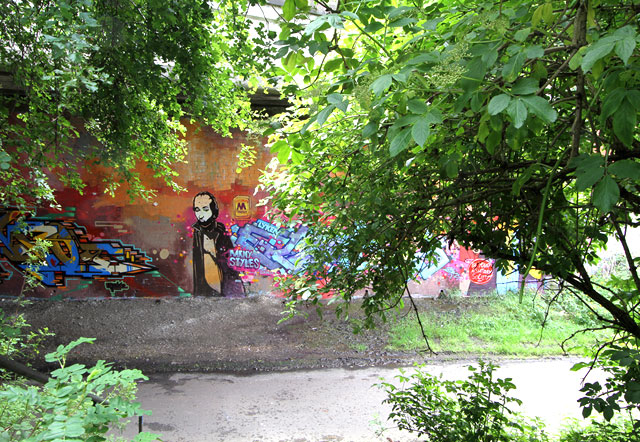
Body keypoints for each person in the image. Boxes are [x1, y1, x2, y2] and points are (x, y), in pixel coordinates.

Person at [192, 191, 245, 297]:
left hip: (224, 285)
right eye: (197, 210)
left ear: (213, 210)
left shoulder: (220, 231)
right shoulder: (196, 232)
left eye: (205, 209)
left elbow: (229, 261)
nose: (201, 214)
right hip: (204, 286)